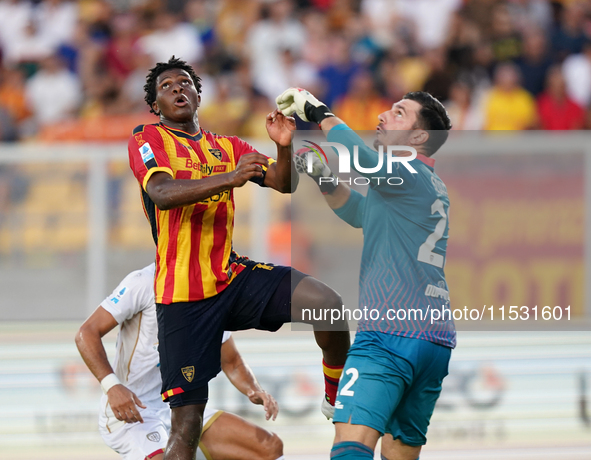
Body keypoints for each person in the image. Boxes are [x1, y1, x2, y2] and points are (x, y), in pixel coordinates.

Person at [127, 57, 350, 459]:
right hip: (183, 297)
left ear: (198, 94)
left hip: (230, 276)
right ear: (155, 104)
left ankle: (335, 398)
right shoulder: (147, 138)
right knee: (186, 428)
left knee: (329, 306)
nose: (178, 89)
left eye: (185, 83)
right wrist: (230, 178)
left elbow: (284, 183)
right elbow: (161, 193)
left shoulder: (227, 146)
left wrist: (285, 148)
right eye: (167, 87)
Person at [276, 87, 456, 460]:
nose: (384, 116)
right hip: (433, 341)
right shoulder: (426, 182)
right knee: (398, 453)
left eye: (399, 114)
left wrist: (319, 112)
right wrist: (324, 177)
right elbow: (361, 214)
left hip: (390, 334)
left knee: (350, 450)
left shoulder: (406, 169)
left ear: (419, 137)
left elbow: (360, 158)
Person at [75, 263, 284, 460]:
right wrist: (112, 386)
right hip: (134, 415)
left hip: (181, 412)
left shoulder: (212, 291)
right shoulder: (143, 282)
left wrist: (254, 389)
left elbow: (232, 361)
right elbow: (86, 333)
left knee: (269, 448)